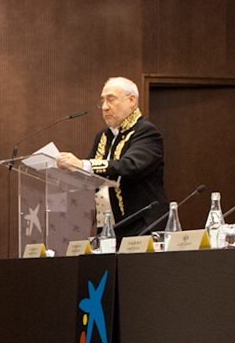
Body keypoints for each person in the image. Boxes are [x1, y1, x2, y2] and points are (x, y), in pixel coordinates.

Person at [56, 77, 167, 235]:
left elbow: (129, 165)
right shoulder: (102, 136)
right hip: (108, 226)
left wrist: (82, 164)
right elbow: (89, 173)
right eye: (102, 101)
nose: (105, 107)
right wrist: (68, 170)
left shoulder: (147, 132)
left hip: (142, 224)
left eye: (111, 100)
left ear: (131, 100)